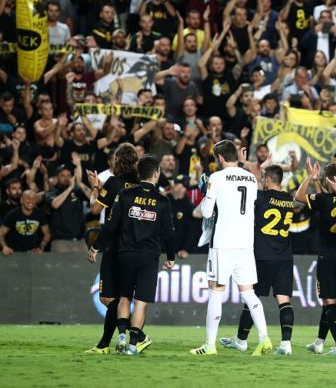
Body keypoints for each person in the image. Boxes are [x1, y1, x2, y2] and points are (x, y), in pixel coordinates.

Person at [189, 140, 270, 356]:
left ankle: (210, 345)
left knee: (216, 292)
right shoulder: (251, 178)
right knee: (249, 293)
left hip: (223, 244)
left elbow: (206, 212)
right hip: (245, 244)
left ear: (220, 158)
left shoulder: (216, 178)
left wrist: (206, 194)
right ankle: (264, 338)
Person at [91, 155, 176, 355]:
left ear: (139, 172)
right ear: (156, 173)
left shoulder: (124, 195)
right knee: (141, 303)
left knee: (124, 297)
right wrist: (171, 257)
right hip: (149, 257)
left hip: (125, 254)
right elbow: (169, 233)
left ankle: (121, 335)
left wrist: (95, 246)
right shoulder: (163, 200)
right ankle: (132, 345)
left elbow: (111, 225)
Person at [223, 164, 295, 355]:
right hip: (284, 256)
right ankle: (286, 344)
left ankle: (241, 340)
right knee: (284, 301)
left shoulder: (261, 197)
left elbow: (245, 192)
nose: (261, 181)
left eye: (263, 178)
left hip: (263, 256)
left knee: (251, 297)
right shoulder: (288, 199)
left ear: (269, 180)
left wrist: (244, 165)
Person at [83, 143, 139, 354]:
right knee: (122, 297)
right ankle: (109, 343)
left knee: (107, 298)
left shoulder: (114, 182)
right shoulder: (139, 184)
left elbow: (95, 208)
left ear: (117, 161)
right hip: (135, 245)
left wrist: (95, 187)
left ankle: (138, 334)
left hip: (114, 245)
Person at [295, 161, 336, 355]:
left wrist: (310, 176)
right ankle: (319, 342)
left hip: (328, 254)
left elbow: (298, 196)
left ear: (328, 180)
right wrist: (319, 183)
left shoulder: (323, 199)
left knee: (328, 301)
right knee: (330, 299)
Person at [0, 189, 50, 256]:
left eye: (34, 198)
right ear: (21, 200)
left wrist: (41, 247)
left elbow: (47, 234)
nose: (31, 201)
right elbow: (1, 233)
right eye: (28, 198)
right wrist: (5, 247)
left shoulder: (40, 214)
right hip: (14, 253)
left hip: (33, 254)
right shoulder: (13, 214)